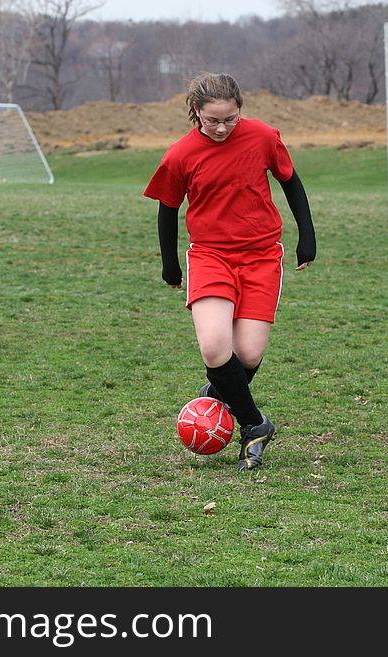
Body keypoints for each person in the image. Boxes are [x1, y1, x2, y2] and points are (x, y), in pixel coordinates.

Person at [144, 72, 316, 471]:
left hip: (260, 255)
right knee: (215, 348)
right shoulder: (179, 155)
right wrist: (170, 263)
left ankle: (218, 399)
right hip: (210, 255)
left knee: (249, 354)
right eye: (212, 121)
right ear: (196, 113)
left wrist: (307, 236)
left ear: (240, 110)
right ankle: (255, 424)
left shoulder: (263, 137)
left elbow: (291, 183)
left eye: (230, 119)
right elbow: (167, 210)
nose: (222, 128)